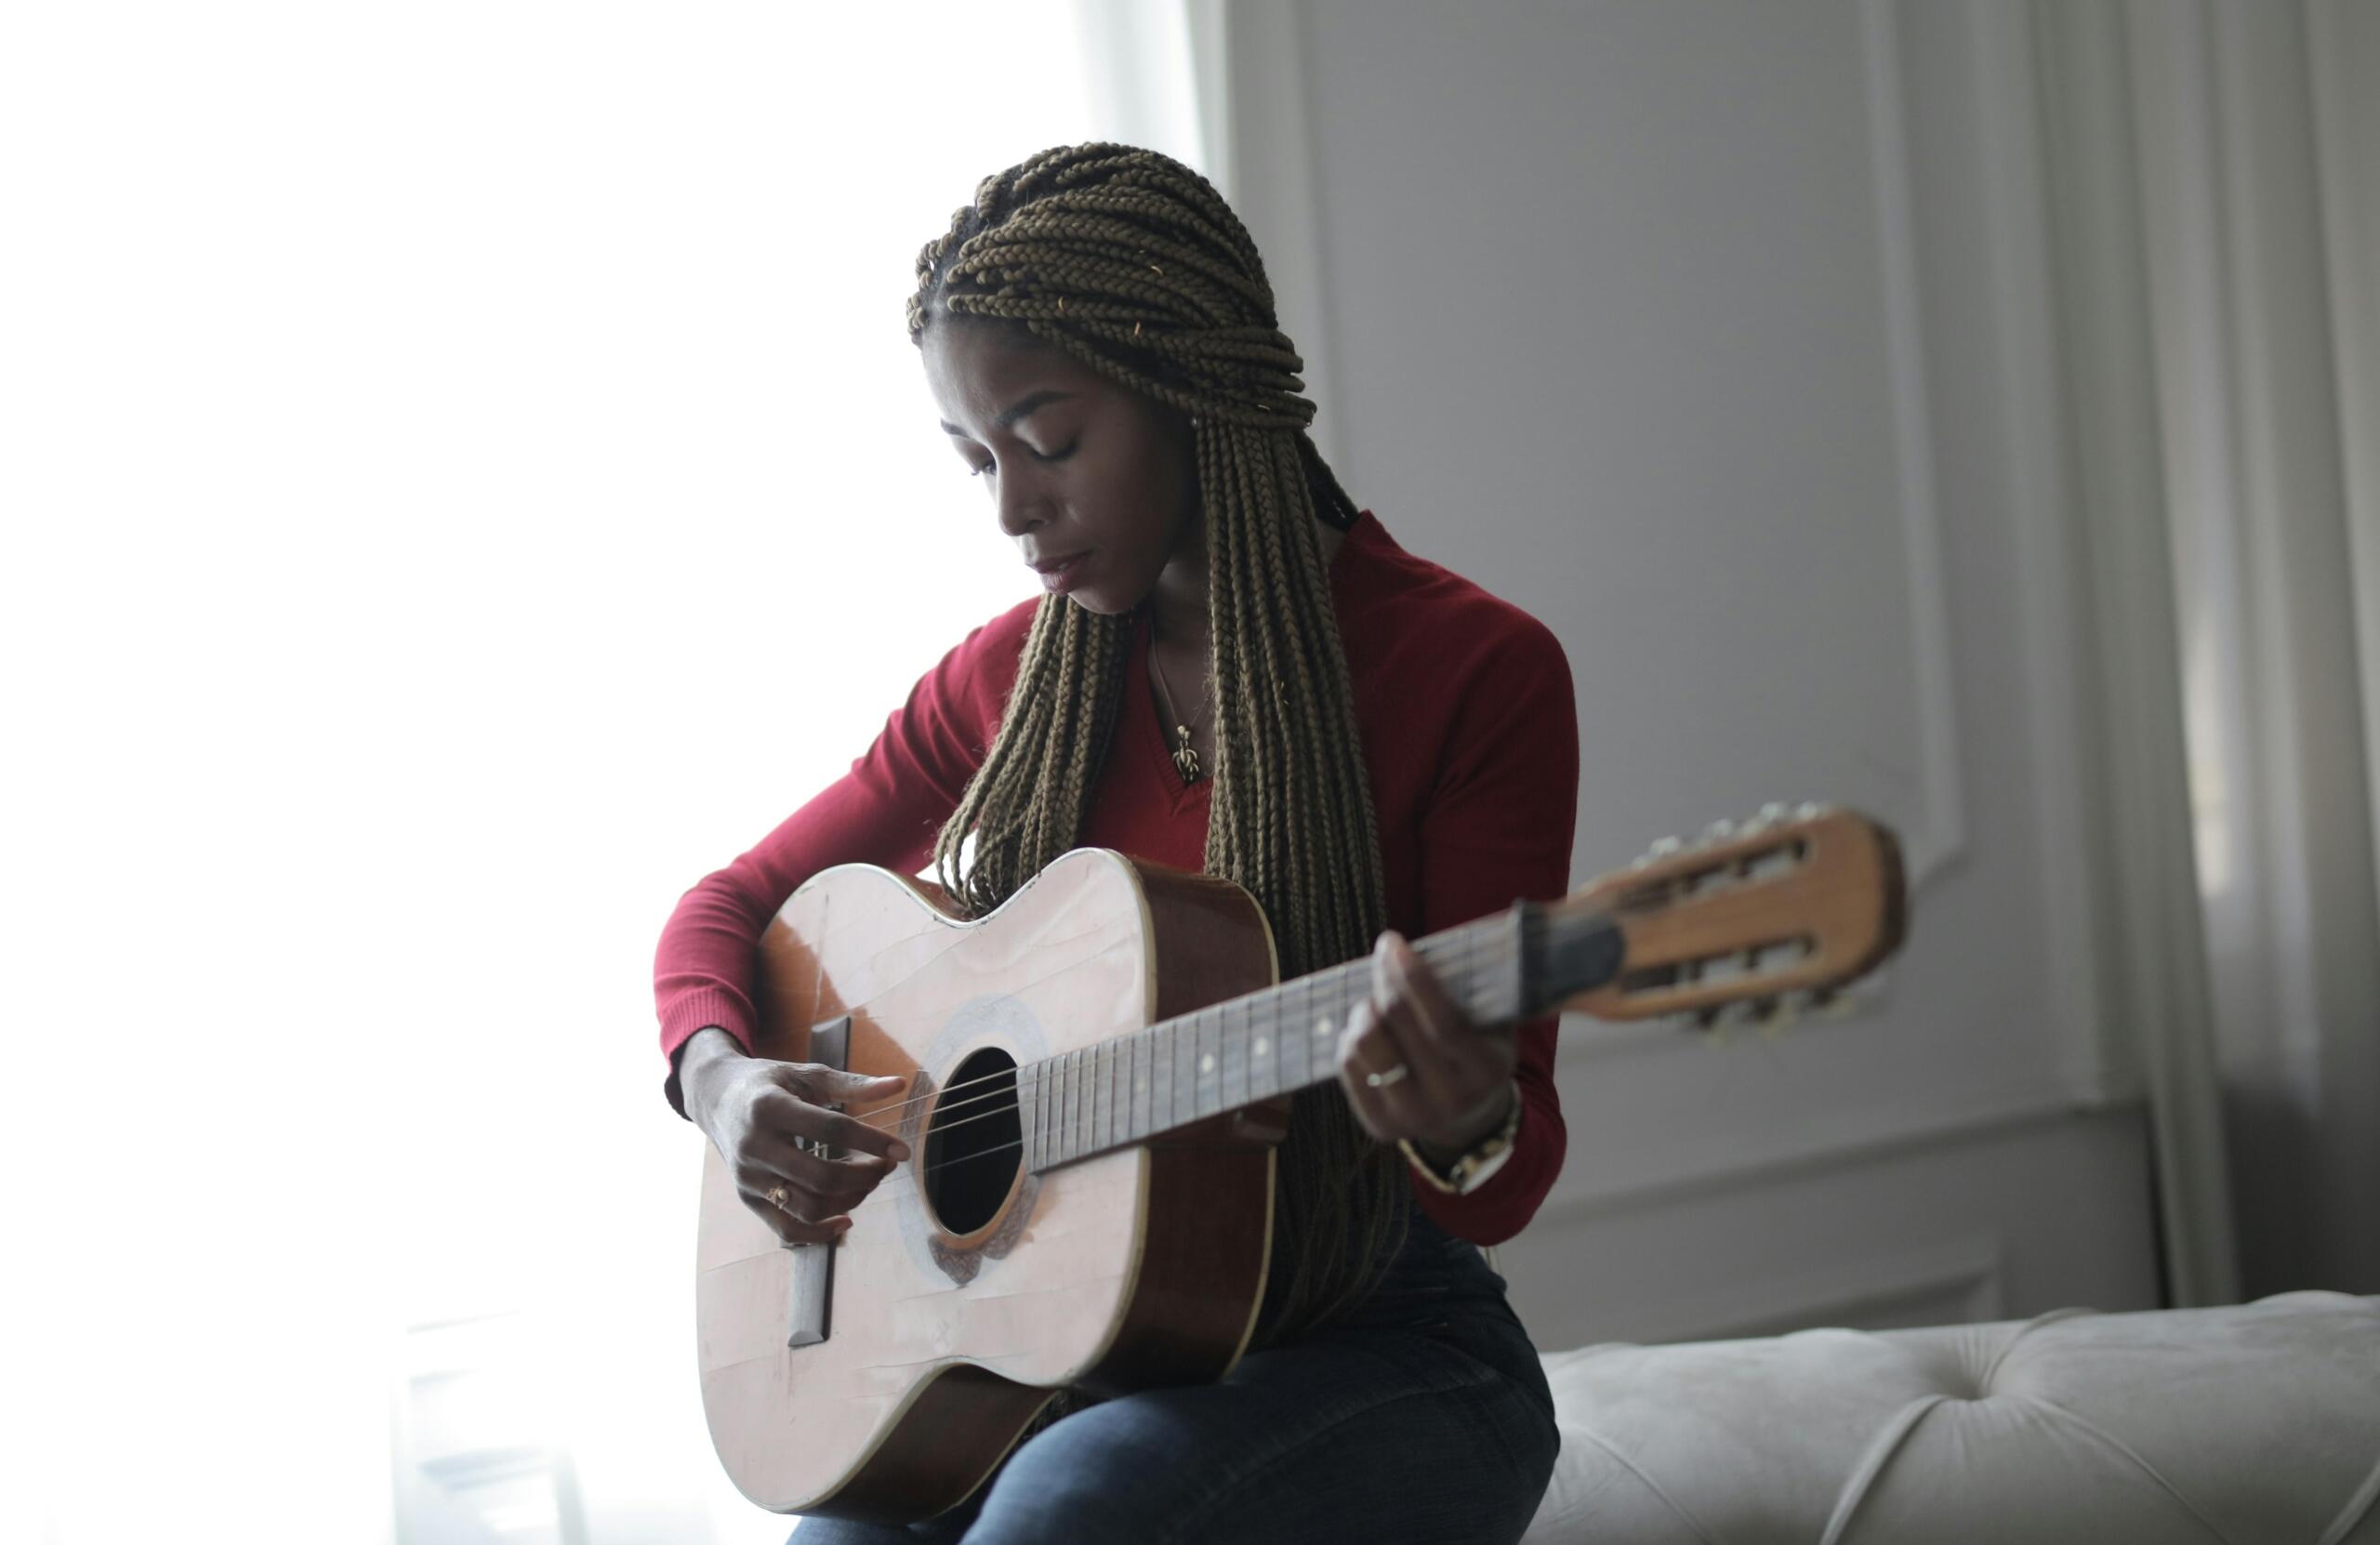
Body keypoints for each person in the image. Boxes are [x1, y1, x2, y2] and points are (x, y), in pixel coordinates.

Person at [653, 142, 1578, 1544]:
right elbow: (726, 906)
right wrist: (721, 1083)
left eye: (1049, 437)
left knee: (1069, 1512)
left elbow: (1506, 1179)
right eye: (978, 459)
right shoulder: (1014, 679)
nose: (1014, 511)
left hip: (1382, 1341)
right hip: (1078, 1349)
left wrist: (1453, 1114)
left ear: (1191, 385)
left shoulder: (1469, 669)